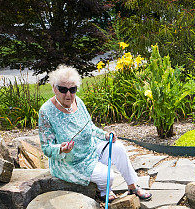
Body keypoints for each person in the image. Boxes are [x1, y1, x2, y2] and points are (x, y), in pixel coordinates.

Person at [38, 65, 151, 201]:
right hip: (71, 163)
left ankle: (133, 187)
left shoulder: (78, 101)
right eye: (63, 90)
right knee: (108, 176)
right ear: (54, 89)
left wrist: (104, 135)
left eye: (72, 89)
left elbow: (90, 127)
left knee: (119, 148)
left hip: (90, 150)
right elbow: (46, 147)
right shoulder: (46, 111)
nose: (68, 94)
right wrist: (61, 149)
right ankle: (104, 192)